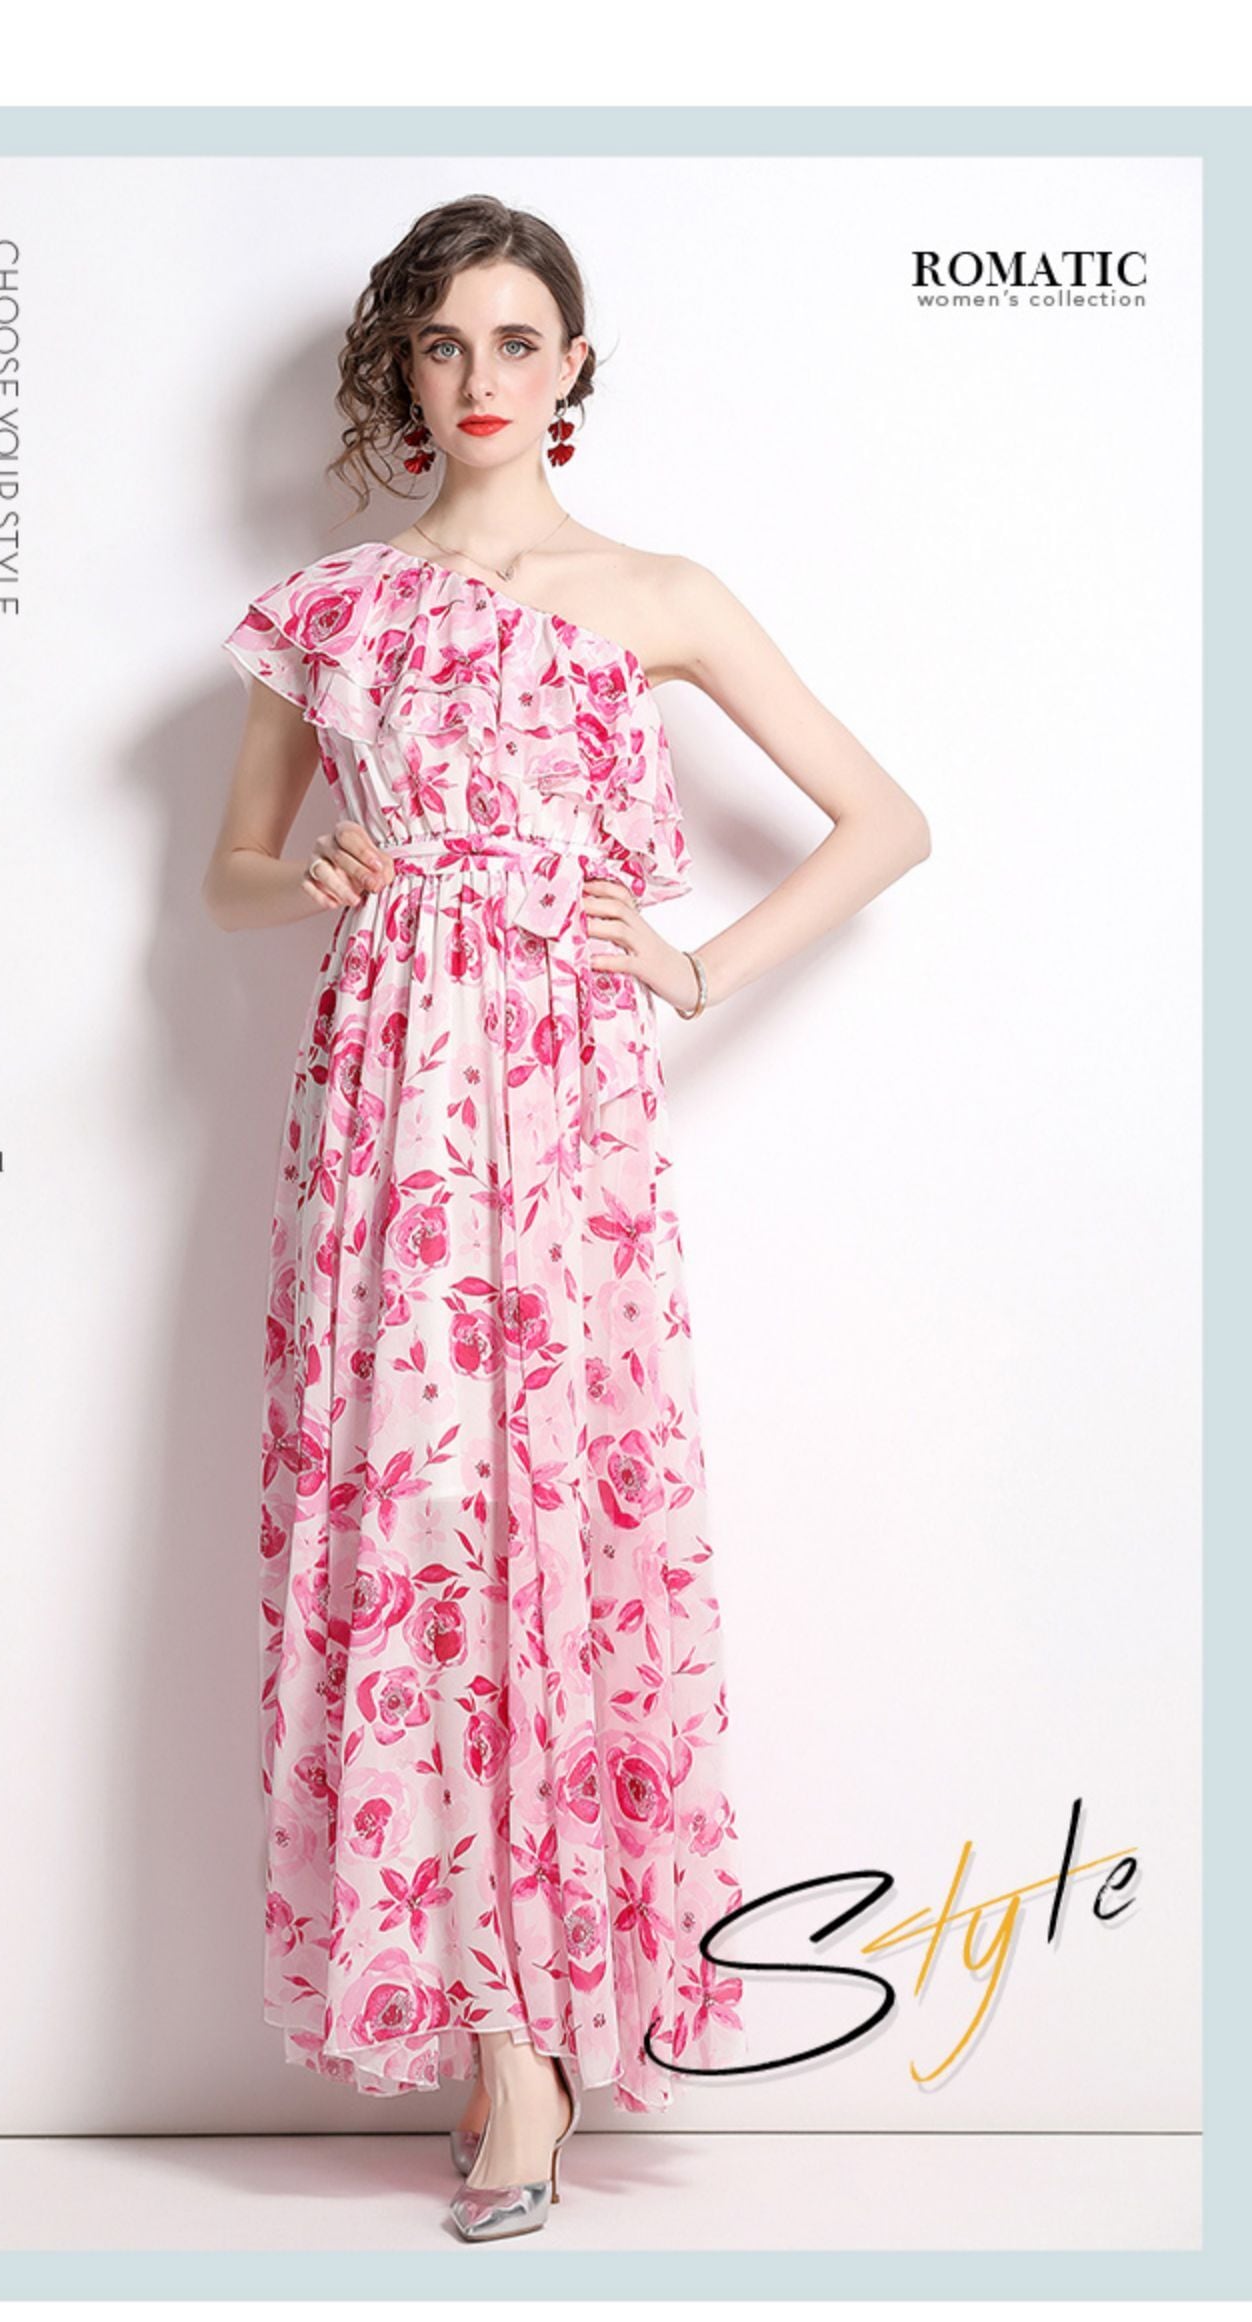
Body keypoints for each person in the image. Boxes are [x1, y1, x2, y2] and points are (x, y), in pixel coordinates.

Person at [203, 193, 930, 2243]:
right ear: (403, 367)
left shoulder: (656, 592)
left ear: (575, 365)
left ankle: (529, 2046)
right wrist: (310, 879)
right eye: (444, 343)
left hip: (563, 1100)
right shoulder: (329, 609)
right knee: (418, 1525)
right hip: (384, 1110)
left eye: (518, 341)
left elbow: (883, 819)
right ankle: (489, 2036)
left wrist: (695, 965)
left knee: (552, 1520)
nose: (481, 379)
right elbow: (228, 876)